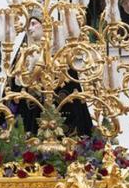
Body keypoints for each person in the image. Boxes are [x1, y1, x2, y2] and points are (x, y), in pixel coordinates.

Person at [7, 8, 93, 137]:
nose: (30, 29)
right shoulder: (27, 56)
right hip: (33, 116)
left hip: (61, 119)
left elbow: (72, 93)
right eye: (28, 25)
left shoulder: (62, 58)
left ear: (46, 25)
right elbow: (17, 87)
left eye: (34, 23)